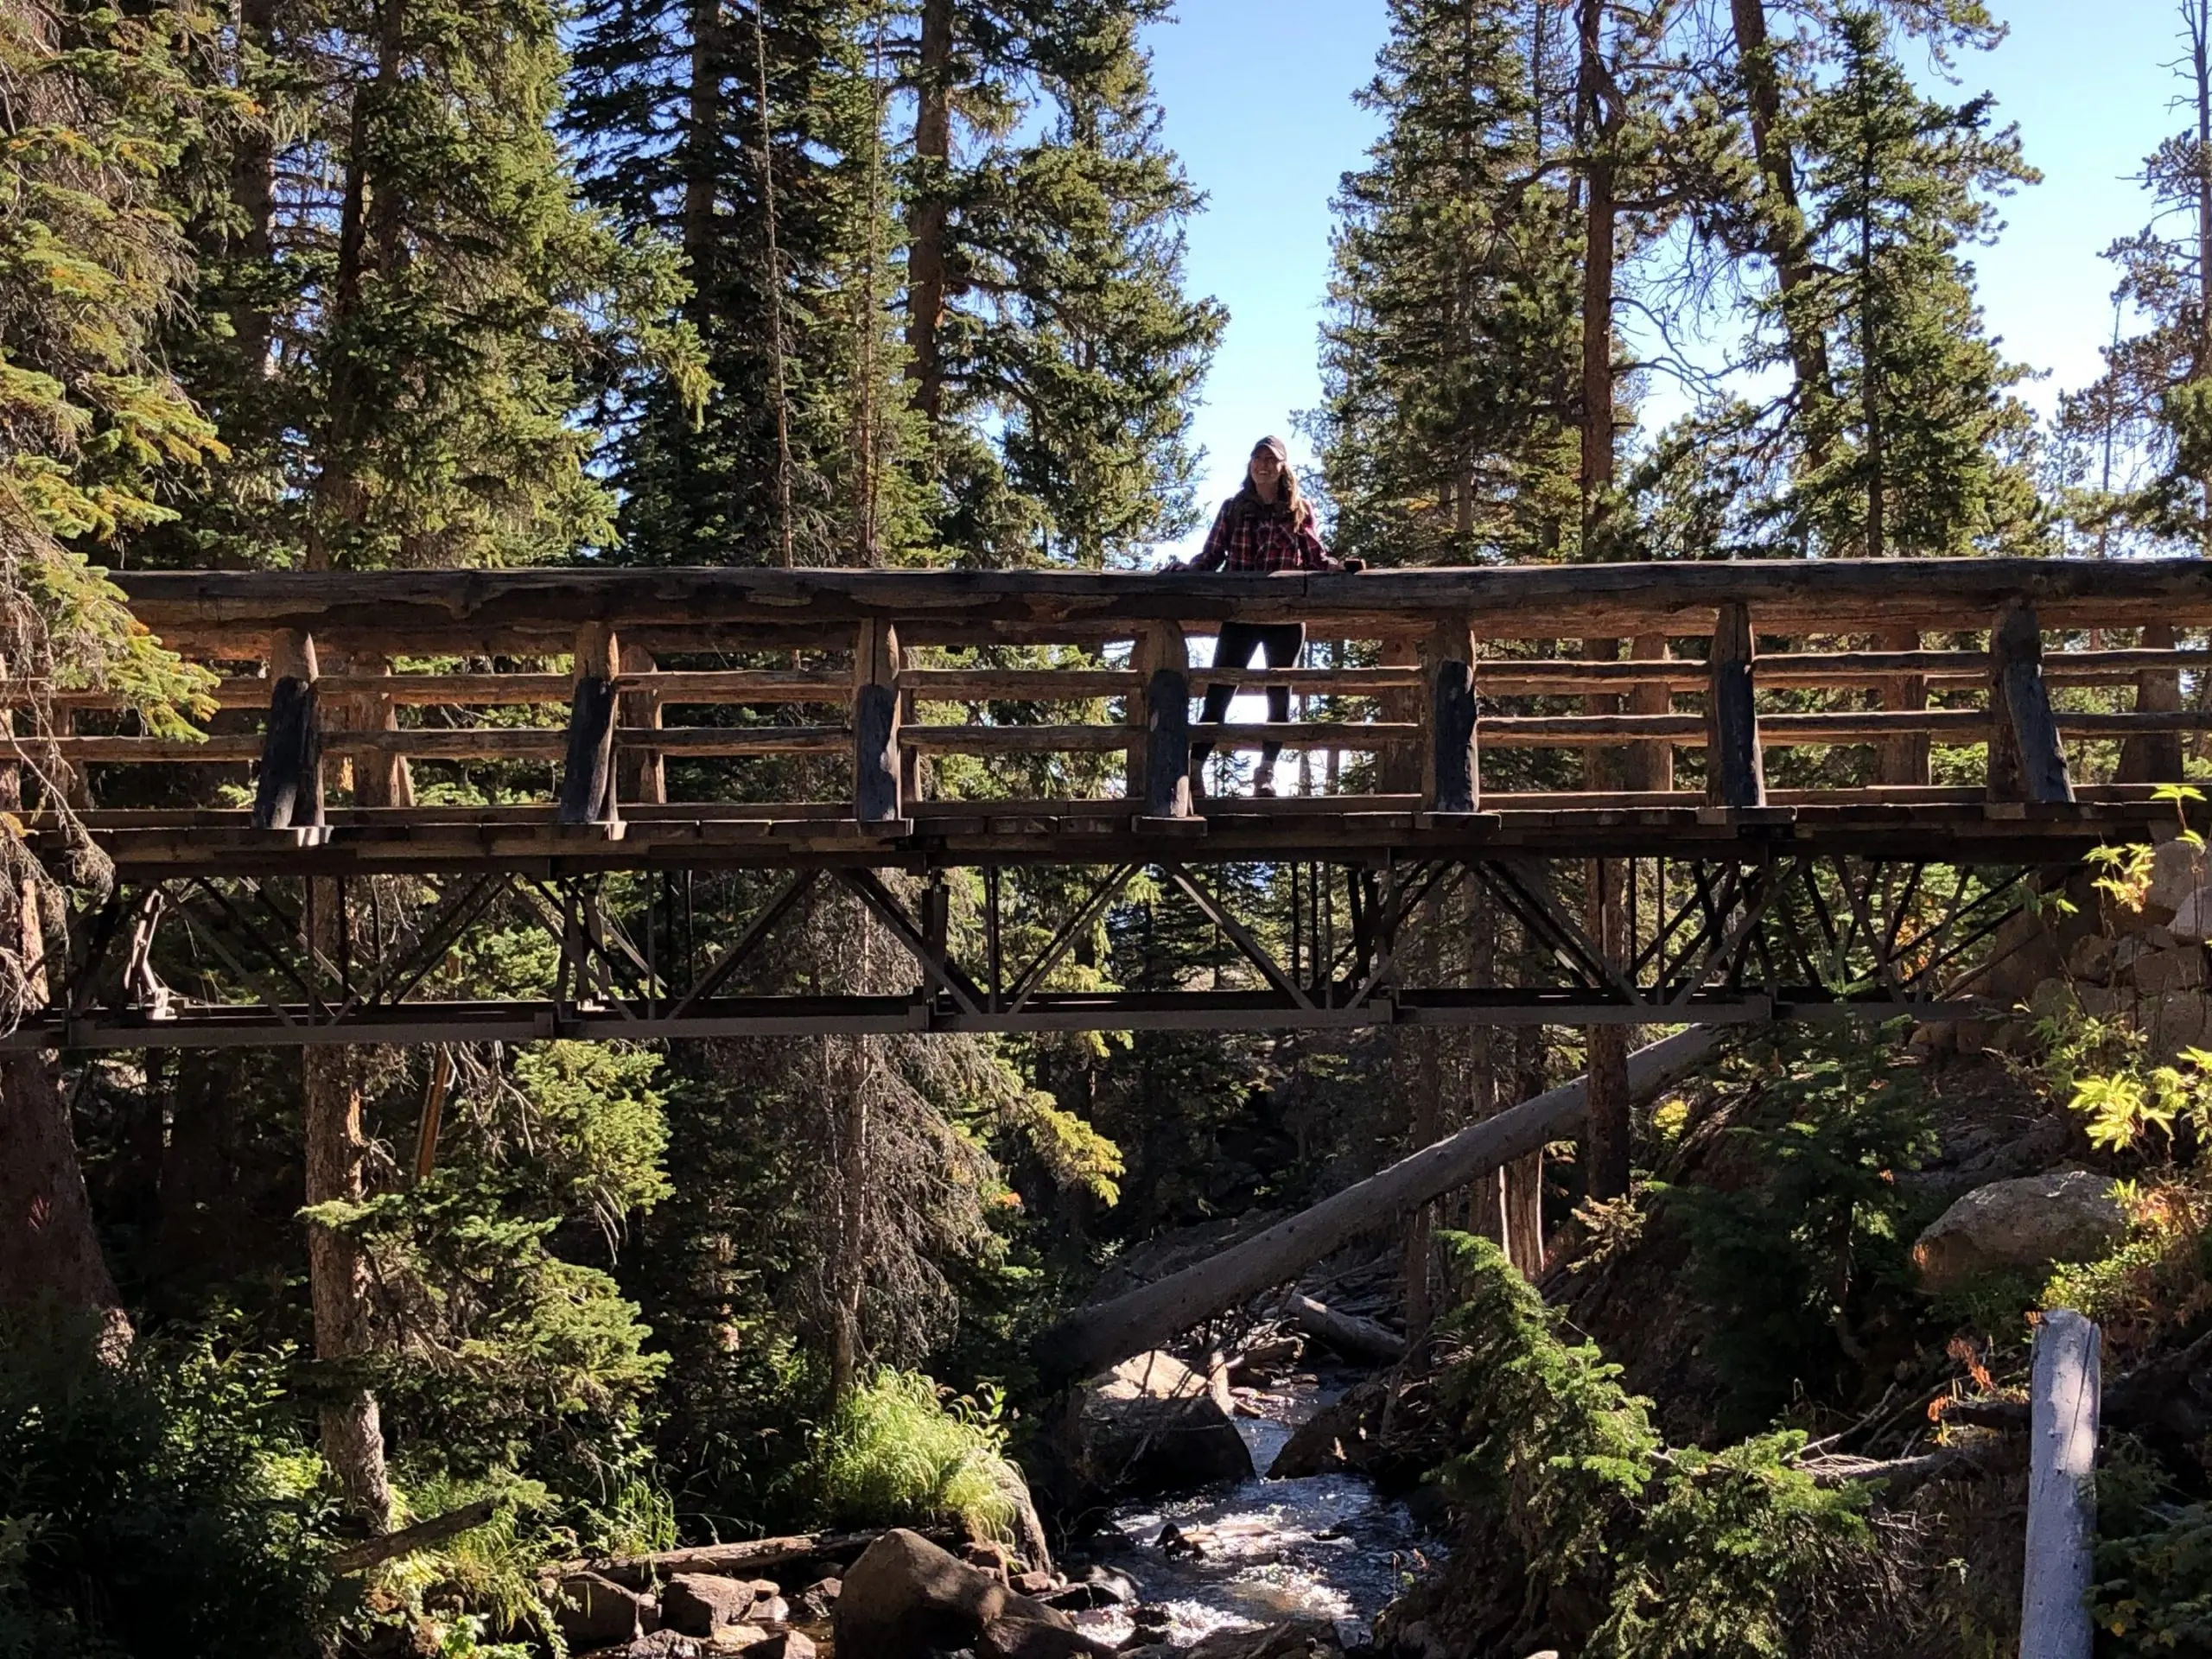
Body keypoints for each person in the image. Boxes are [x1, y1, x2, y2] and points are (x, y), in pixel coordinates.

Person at [1167, 435, 1361, 797]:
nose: (1263, 465)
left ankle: (1267, 773)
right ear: (1250, 465)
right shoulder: (1234, 508)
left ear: (1283, 467)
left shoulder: (1298, 509)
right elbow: (1212, 555)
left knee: (1279, 696)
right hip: (1240, 614)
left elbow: (1315, 556)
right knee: (1219, 691)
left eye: (1271, 460)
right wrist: (1187, 570)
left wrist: (1339, 568)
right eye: (1258, 458)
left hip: (1285, 618)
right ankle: (1193, 771)